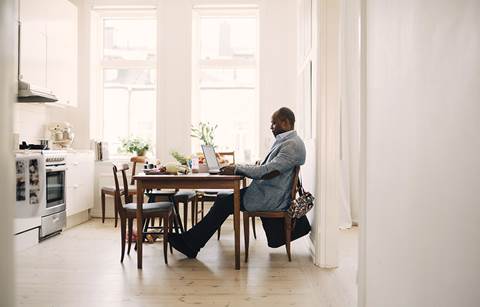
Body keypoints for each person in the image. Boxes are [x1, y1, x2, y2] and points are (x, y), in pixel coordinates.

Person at [168, 107, 306, 258]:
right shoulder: (287, 141)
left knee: (223, 202)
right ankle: (191, 242)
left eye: (274, 123)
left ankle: (191, 243)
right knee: (223, 199)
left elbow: (266, 172)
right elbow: (264, 168)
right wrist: (237, 167)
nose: (271, 127)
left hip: (269, 197)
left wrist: (236, 169)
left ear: (285, 123)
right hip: (267, 192)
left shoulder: (291, 145)